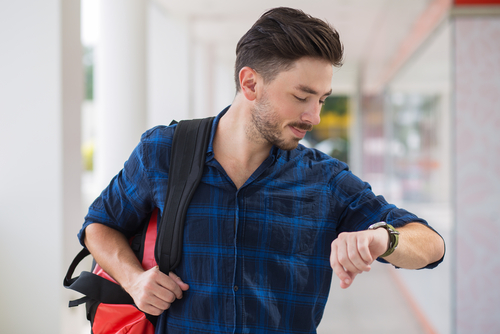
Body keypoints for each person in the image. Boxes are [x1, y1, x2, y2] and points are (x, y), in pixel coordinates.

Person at [80, 7, 445, 333]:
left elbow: (431, 244)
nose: (314, 116)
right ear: (250, 83)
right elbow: (99, 224)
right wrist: (134, 279)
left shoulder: (325, 180)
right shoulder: (163, 151)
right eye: (301, 97)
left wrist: (384, 238)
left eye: (321, 99)